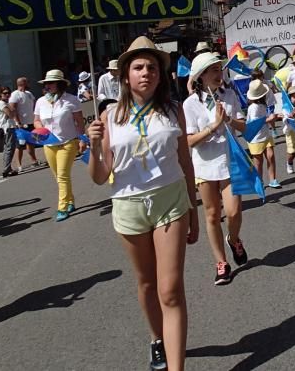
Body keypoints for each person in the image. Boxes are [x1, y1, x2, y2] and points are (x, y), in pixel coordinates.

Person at [85, 36, 198, 371]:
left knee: (171, 290)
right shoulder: (108, 117)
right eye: (138, 67)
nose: (145, 72)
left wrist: (192, 209)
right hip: (128, 205)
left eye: (151, 67)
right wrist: (92, 148)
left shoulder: (173, 110)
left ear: (160, 75)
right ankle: (156, 338)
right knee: (147, 283)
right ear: (125, 76)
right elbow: (100, 175)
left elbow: (185, 161)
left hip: (171, 201)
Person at [183, 52, 248, 286]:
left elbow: (244, 127)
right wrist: (213, 126)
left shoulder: (229, 95)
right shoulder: (190, 104)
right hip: (204, 164)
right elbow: (189, 141)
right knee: (211, 215)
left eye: (219, 69)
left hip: (230, 160)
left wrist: (229, 120)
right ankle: (221, 263)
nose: (218, 74)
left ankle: (234, 238)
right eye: (213, 70)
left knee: (233, 211)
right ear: (201, 76)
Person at [33, 69, 85, 222]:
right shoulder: (40, 101)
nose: (47, 86)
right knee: (59, 177)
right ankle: (70, 201)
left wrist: (82, 139)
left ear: (60, 84)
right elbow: (36, 120)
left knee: (62, 175)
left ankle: (62, 207)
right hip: (48, 144)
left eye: (51, 83)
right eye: (46, 83)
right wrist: (38, 130)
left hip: (67, 142)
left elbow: (80, 122)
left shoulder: (72, 100)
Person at [245, 80, 281, 189]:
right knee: (258, 162)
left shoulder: (261, 105)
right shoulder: (253, 107)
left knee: (271, 156)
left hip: (266, 135)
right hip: (256, 139)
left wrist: (275, 116)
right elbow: (256, 122)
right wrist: (269, 119)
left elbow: (266, 117)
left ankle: (273, 179)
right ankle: (259, 182)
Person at [8, 77, 40, 170]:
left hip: (31, 122)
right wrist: (18, 122)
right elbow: (13, 109)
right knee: (20, 144)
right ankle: (19, 165)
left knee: (31, 142)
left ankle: (34, 160)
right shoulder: (15, 95)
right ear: (22, 84)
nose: (29, 83)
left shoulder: (29, 94)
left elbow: (34, 106)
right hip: (21, 124)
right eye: (27, 82)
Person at [0, 87, 18, 178]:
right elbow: (11, 114)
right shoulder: (1, 103)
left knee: (7, 148)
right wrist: (13, 110)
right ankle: (6, 168)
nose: (7, 94)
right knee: (9, 148)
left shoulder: (6, 103)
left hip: (8, 127)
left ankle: (8, 168)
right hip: (7, 128)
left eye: (8, 93)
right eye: (5, 93)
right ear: (0, 94)